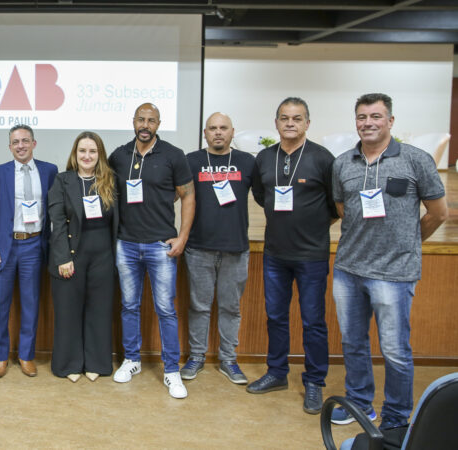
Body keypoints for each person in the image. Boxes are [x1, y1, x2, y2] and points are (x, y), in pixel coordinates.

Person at [330, 93, 447, 429]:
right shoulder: (343, 163)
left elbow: (438, 213)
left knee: (395, 350)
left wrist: (407, 243)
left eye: (376, 116)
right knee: (353, 343)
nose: (368, 123)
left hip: (394, 274)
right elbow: (343, 210)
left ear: (390, 121)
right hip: (348, 270)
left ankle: (396, 418)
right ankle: (359, 404)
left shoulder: (415, 159)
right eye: (362, 117)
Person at [250, 97, 337, 414]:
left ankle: (314, 381)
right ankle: (276, 373)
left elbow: (334, 204)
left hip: (312, 255)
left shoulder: (322, 158)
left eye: (297, 118)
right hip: (275, 253)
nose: (290, 123)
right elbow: (262, 196)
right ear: (276, 123)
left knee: (313, 321)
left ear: (307, 124)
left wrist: (313, 225)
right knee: (275, 317)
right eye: (284, 118)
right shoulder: (264, 158)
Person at [108, 103, 194, 399]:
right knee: (129, 306)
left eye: (151, 120)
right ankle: (131, 360)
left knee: (166, 310)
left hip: (161, 246)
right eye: (141, 119)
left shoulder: (173, 155)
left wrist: (182, 236)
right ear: (133, 121)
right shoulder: (119, 155)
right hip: (126, 245)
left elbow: (188, 195)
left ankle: (172, 370)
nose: (145, 124)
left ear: (159, 123)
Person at [181, 112, 256, 385]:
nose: (218, 132)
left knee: (231, 308)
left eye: (223, 128)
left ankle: (228, 360)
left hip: (236, 249)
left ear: (232, 132)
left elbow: (265, 196)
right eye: (212, 128)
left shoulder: (247, 162)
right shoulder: (192, 161)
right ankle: (197, 357)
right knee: (199, 306)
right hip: (198, 248)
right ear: (205, 133)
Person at [0, 124, 57, 378]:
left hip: (34, 244)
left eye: (25, 141)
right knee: (0, 304)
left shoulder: (49, 171)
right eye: (15, 142)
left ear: (34, 143)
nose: (21, 145)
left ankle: (26, 355)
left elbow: (55, 210)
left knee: (31, 303)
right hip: (4, 246)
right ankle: (0, 357)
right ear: (10, 146)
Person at [48, 132, 118, 383]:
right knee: (68, 312)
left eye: (92, 151)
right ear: (74, 154)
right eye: (82, 151)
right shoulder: (62, 180)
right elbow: (56, 222)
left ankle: (96, 362)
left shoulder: (110, 180)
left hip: (103, 256)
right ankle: (69, 364)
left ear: (99, 155)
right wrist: (62, 258)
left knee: (99, 311)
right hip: (71, 256)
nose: (87, 156)